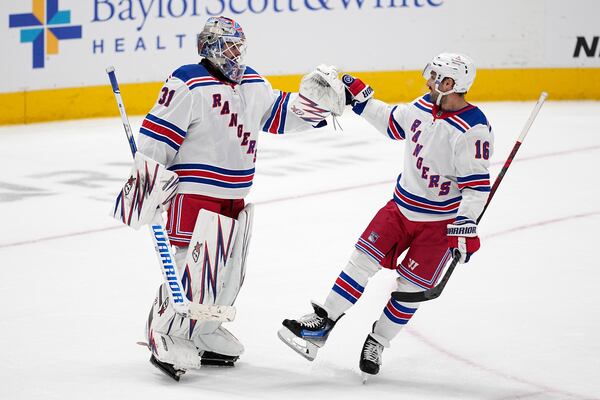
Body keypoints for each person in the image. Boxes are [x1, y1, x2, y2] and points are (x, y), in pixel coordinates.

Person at [112, 16, 344, 381]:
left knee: (228, 273)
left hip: (235, 196)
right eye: (228, 46)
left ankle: (203, 331)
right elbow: (156, 140)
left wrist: (314, 106)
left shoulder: (252, 81)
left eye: (239, 45)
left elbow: (279, 115)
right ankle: (165, 331)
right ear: (209, 47)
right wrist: (148, 188)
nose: (236, 53)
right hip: (194, 194)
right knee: (195, 268)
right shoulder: (187, 81)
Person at [278, 53, 494, 378]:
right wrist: (362, 100)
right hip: (399, 209)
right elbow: (393, 122)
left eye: (435, 76)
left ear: (450, 84)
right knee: (361, 262)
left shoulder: (472, 129)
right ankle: (323, 322)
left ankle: (378, 340)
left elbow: (475, 187)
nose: (428, 80)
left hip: (438, 226)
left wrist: (464, 225)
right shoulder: (423, 106)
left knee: (409, 290)